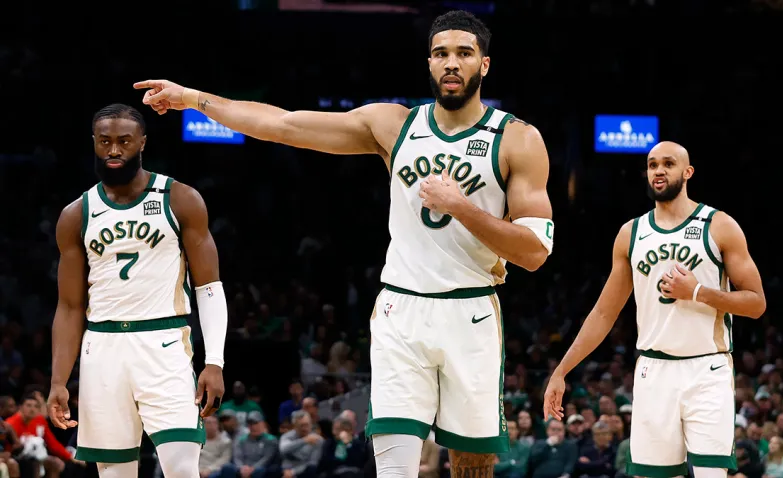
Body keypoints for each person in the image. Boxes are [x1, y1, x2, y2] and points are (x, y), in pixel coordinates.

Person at [134, 9, 554, 478]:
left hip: (472, 311)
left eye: (463, 53)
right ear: (429, 63)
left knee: (473, 467)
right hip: (402, 309)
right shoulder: (393, 125)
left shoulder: (516, 139)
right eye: (440, 54)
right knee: (393, 465)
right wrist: (192, 98)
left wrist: (462, 207)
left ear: (485, 65)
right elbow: (283, 124)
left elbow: (534, 253)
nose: (451, 63)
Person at [543, 141, 766, 478]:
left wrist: (697, 292)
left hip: (708, 369)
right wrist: (561, 370)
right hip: (653, 370)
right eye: (652, 164)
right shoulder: (631, 234)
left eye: (668, 164)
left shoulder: (718, 225)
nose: (659, 170)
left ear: (687, 172)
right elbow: (604, 313)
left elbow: (756, 302)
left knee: (711, 474)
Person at [46, 104, 228, 478]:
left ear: (142, 143)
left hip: (164, 343)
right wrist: (58, 381)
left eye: (124, 142)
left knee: (181, 469)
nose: (114, 150)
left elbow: (209, 288)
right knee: (114, 474)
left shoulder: (179, 199)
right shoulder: (76, 214)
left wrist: (215, 361)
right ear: (94, 144)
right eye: (105, 142)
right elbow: (68, 305)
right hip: (102, 348)